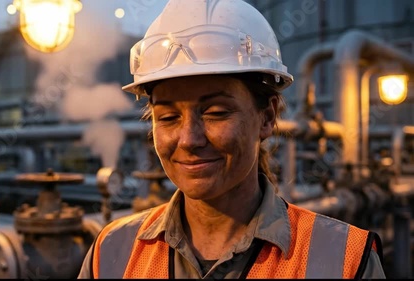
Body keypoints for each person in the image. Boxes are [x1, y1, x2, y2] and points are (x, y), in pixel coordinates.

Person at [78, 0, 386, 278]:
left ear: (267, 117)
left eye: (215, 113)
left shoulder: (344, 260)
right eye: (168, 117)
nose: (188, 139)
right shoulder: (111, 253)